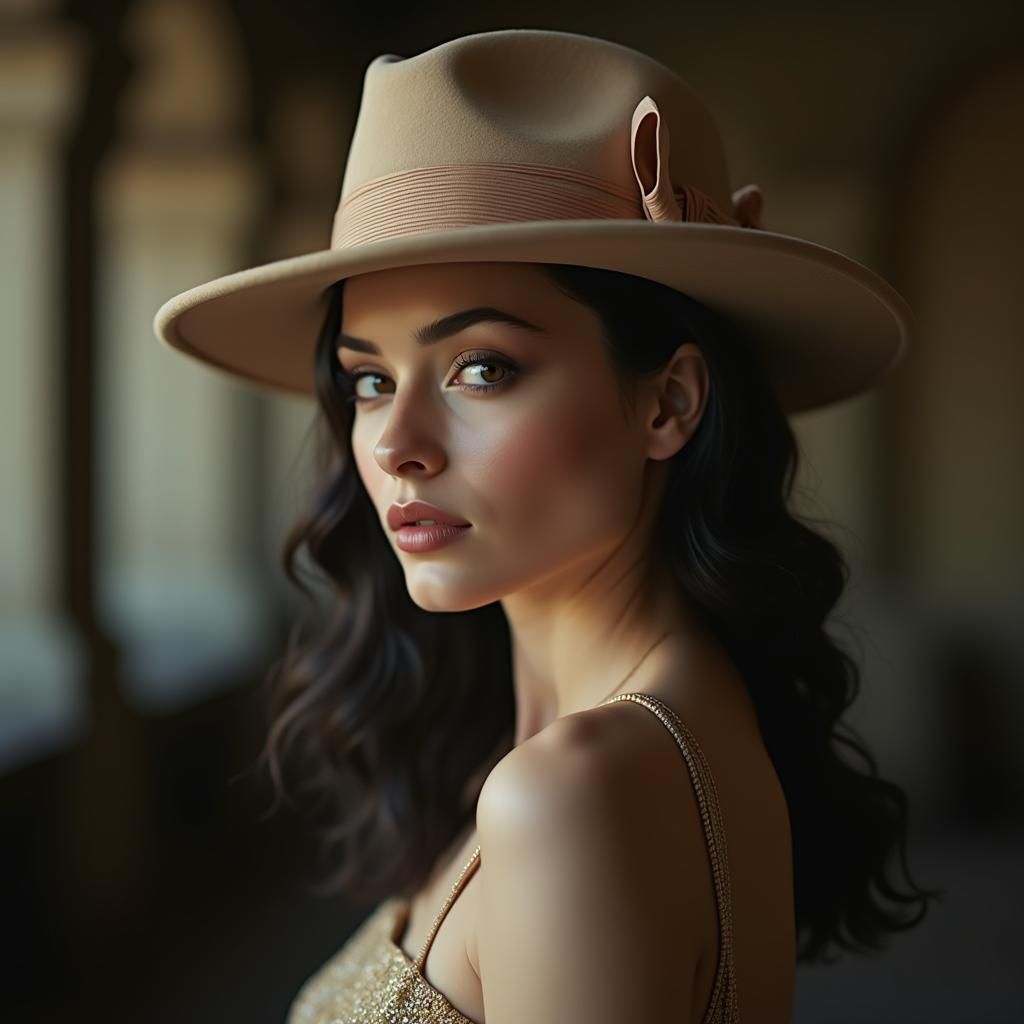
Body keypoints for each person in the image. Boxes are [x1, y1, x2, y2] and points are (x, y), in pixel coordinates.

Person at [154, 28, 940, 1024]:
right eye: (369, 380)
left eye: (480, 368)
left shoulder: (574, 796)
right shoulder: (601, 737)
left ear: (668, 403)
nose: (396, 444)